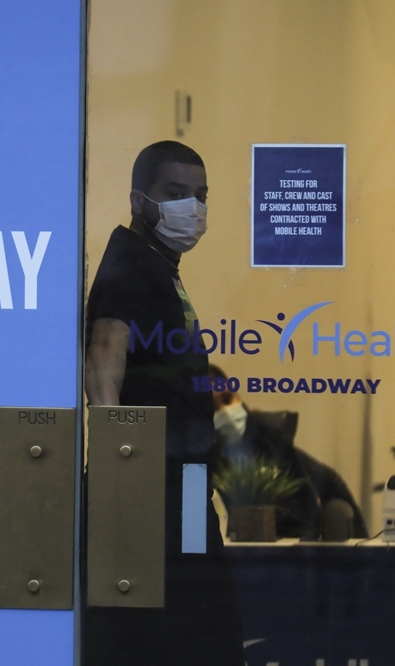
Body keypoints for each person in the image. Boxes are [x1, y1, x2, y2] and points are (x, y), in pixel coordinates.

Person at [84, 141, 244, 665]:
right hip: (152, 491)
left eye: (200, 196)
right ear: (139, 200)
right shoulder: (130, 265)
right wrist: (120, 490)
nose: (191, 208)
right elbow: (103, 373)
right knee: (186, 636)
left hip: (188, 482)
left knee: (206, 624)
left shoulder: (159, 267)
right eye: (175, 193)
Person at [210, 365, 369, 540]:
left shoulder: (270, 439)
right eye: (212, 408)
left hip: (287, 545)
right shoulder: (195, 459)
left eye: (227, 399)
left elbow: (315, 498)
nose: (226, 412)